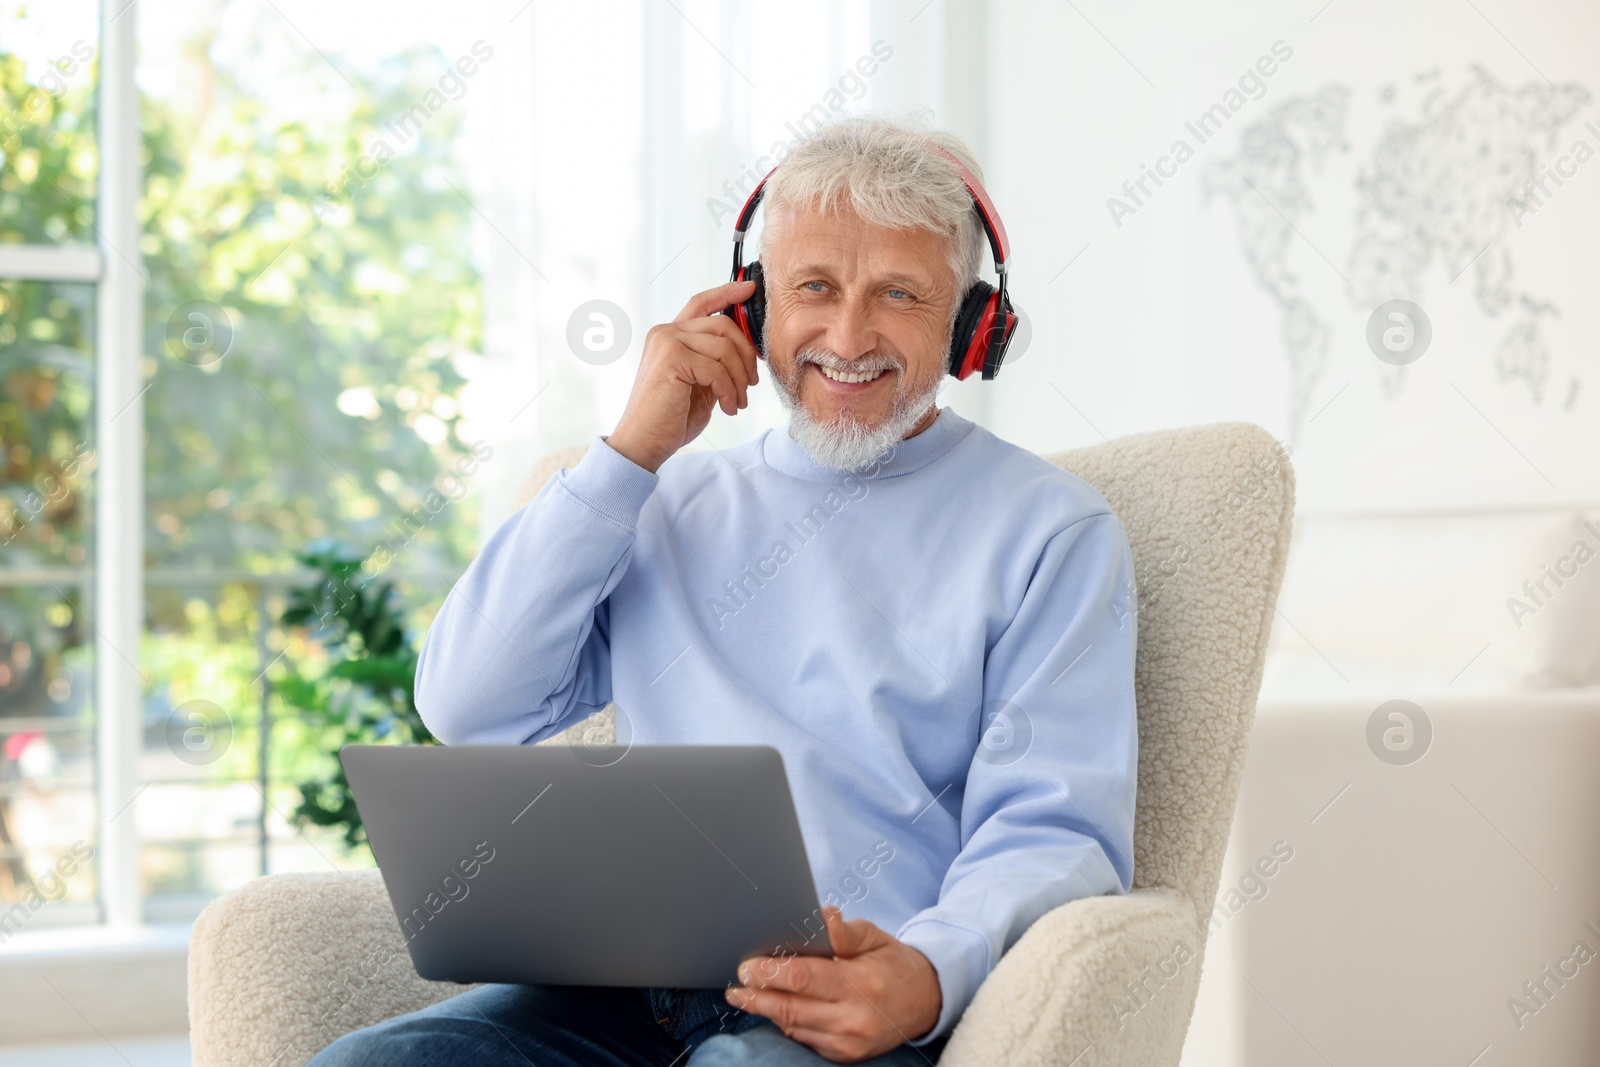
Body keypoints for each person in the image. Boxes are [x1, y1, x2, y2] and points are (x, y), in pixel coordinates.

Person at [312, 114, 1138, 1067]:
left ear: (967, 322)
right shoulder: (660, 497)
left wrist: (926, 973)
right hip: (616, 991)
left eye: (899, 294)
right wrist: (629, 452)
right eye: (814, 288)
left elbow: (1058, 827)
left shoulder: (1051, 531)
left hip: (840, 1003)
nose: (848, 334)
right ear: (750, 311)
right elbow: (467, 704)